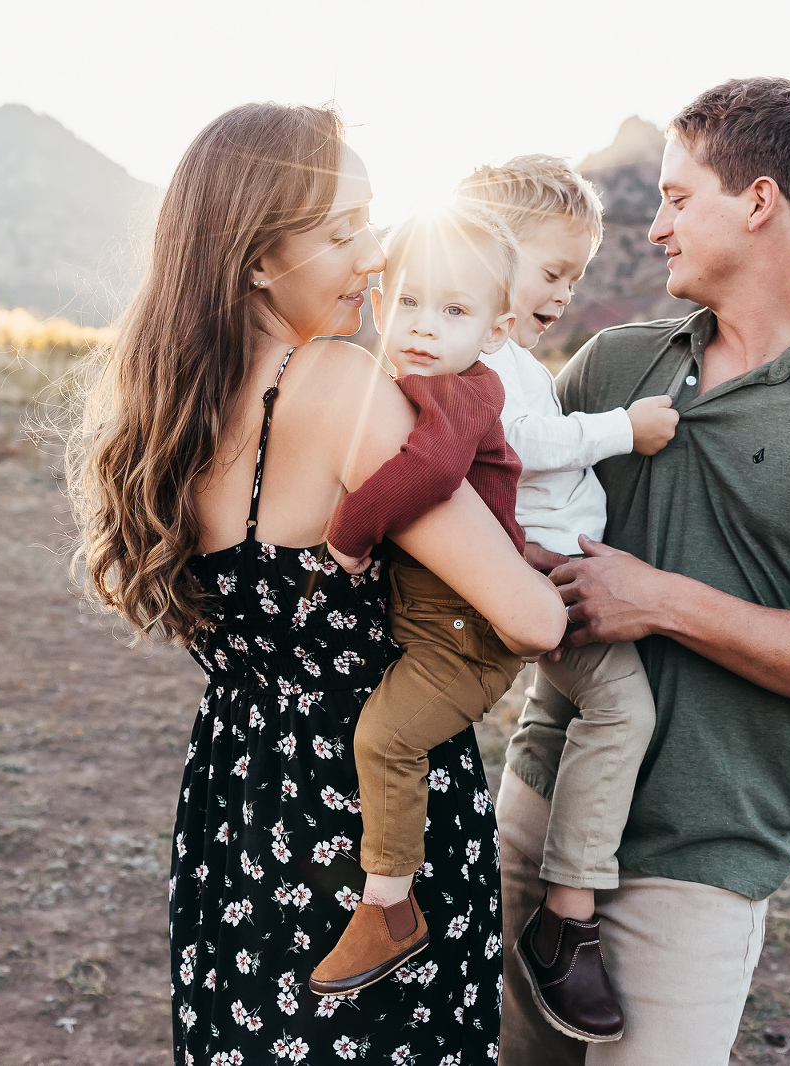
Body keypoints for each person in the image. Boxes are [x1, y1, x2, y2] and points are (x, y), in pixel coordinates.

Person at [69, 103, 566, 1066]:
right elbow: (525, 614)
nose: (375, 257)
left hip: (237, 800)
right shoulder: (338, 385)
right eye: (344, 232)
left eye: (373, 224)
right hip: (368, 823)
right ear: (257, 259)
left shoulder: (170, 405)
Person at [497, 77, 790, 1066]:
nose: (657, 227)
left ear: (757, 202)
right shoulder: (609, 368)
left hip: (703, 864)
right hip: (537, 815)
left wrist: (660, 602)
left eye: (677, 198)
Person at [458, 157, 679, 1044]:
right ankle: (568, 911)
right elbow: (519, 442)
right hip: (538, 579)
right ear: (486, 255)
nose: (563, 293)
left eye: (576, 277)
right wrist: (627, 428)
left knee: (612, 709)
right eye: (552, 272)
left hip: (550, 571)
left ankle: (561, 903)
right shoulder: (481, 361)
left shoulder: (511, 355)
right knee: (624, 709)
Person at [308, 204, 530, 995]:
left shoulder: (462, 393)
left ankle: (390, 907)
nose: (424, 326)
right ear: (377, 303)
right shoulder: (397, 384)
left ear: (496, 331)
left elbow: (432, 475)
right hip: (435, 620)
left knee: (386, 740)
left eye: (455, 310)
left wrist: (350, 533)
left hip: (467, 635)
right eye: (406, 300)